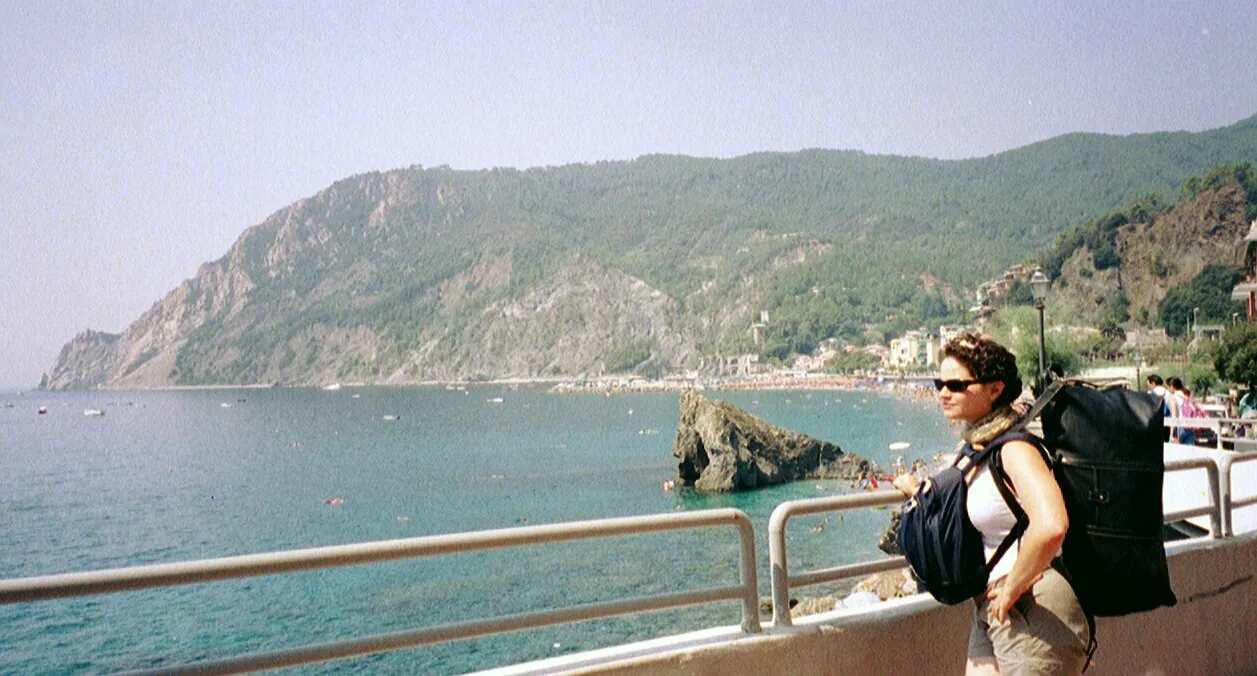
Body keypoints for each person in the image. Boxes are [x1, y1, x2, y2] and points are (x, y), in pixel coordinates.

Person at [894, 332, 1089, 675]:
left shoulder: (1015, 449)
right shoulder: (978, 449)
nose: (943, 392)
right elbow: (959, 500)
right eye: (939, 382)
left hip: (1032, 606)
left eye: (956, 384)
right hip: (991, 606)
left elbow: (1052, 524)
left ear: (995, 389)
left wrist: (1013, 586)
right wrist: (915, 490)